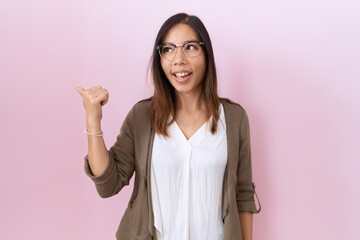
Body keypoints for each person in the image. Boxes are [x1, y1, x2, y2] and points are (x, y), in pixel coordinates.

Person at [75, 13, 261, 240]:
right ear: (160, 59)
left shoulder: (234, 118)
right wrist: (93, 120)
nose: (179, 59)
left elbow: (243, 196)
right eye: (168, 49)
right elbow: (108, 184)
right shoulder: (142, 116)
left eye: (190, 47)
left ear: (206, 54)